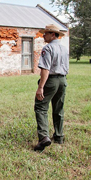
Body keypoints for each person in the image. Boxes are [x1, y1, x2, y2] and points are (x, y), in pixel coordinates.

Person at [33, 24, 69, 152]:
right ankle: (59, 136)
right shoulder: (64, 49)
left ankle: (44, 137)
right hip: (63, 80)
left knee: (40, 106)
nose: (44, 35)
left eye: (46, 33)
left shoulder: (47, 48)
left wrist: (40, 87)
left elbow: (45, 69)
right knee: (59, 108)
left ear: (53, 35)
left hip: (51, 80)